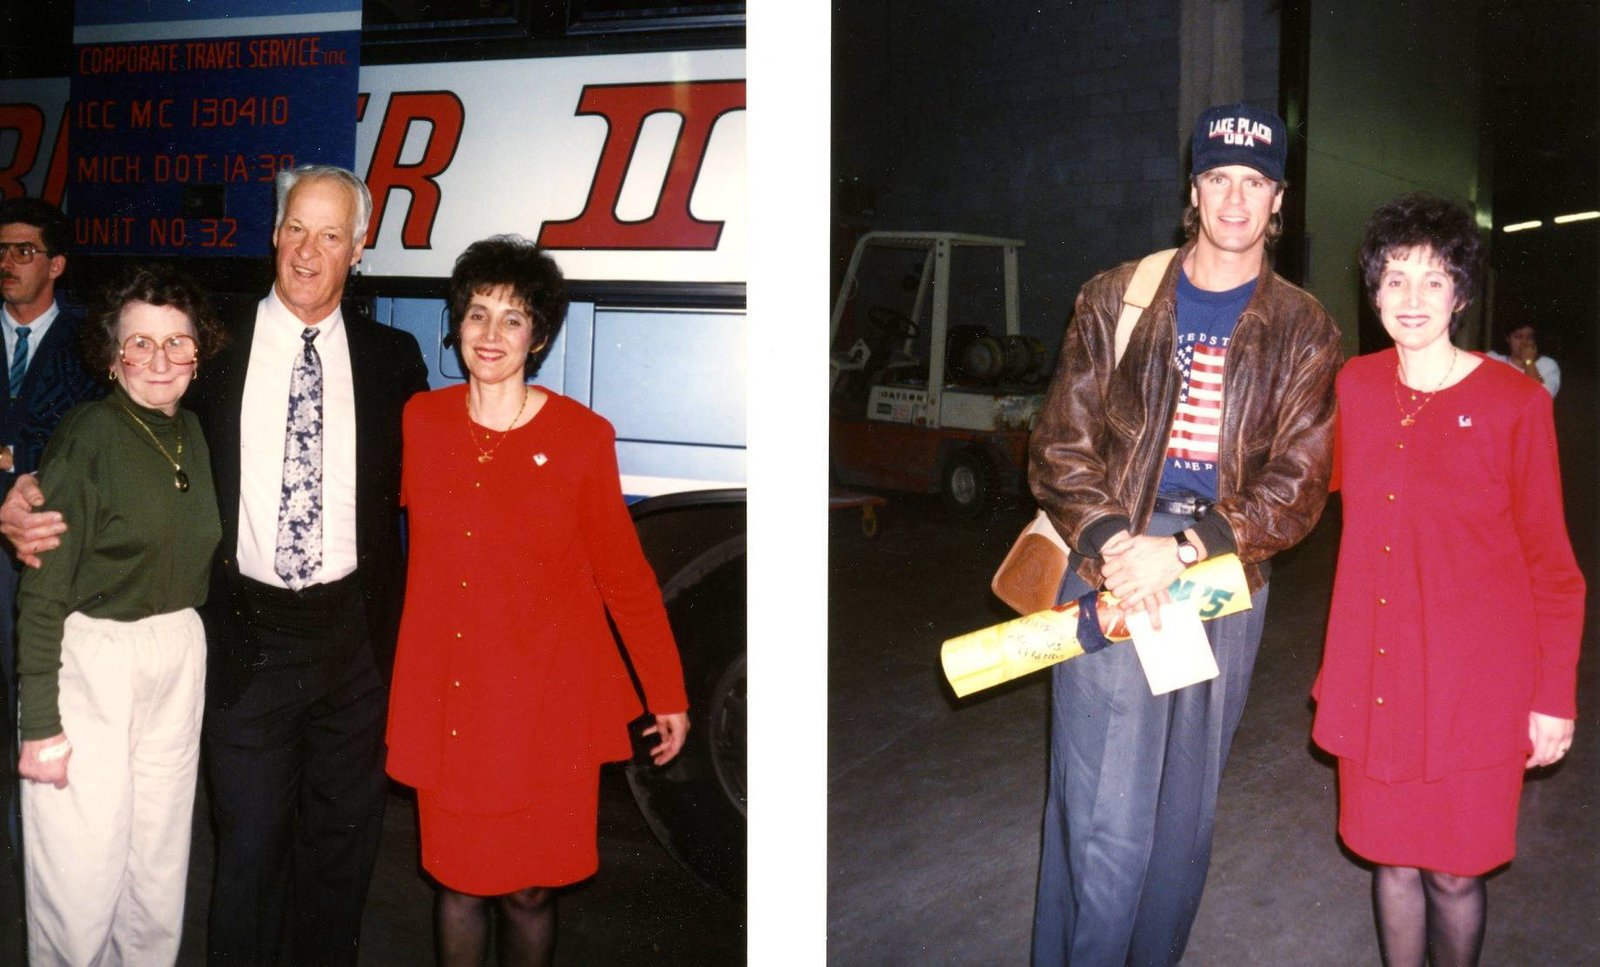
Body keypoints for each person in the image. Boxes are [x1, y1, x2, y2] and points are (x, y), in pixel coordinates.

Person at [1, 164, 429, 964]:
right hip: (244, 636)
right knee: (248, 849)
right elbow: (97, 426)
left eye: (331, 234)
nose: (308, 250)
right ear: (273, 235)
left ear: (359, 247)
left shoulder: (393, 357)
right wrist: (18, 492)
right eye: (295, 228)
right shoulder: (209, 345)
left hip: (355, 640)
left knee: (341, 848)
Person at [1028, 102, 1342, 966]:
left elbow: (1297, 482)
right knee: (1100, 808)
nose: (1235, 199)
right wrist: (1114, 546)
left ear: (1277, 199)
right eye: (1218, 178)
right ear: (1192, 190)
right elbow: (1060, 443)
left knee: (1182, 810)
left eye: (1255, 181)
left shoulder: (1305, 328)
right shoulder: (1115, 295)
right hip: (1110, 562)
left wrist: (1190, 545)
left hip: (1219, 577)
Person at [385, 236, 690, 966]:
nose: (491, 335)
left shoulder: (582, 439)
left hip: (546, 704)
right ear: (455, 326)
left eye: (513, 319)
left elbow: (626, 576)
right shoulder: (421, 423)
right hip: (453, 702)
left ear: (540, 335)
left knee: (529, 891)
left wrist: (666, 692)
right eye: (478, 314)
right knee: (457, 885)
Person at [1311, 194, 1583, 966]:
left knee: (1456, 877)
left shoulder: (1516, 404)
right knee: (1392, 861)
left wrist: (1552, 696)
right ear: (1372, 292)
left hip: (1476, 688)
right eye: (1394, 278)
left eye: (1433, 280)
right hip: (1379, 676)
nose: (1412, 299)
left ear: (1462, 292)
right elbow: (1288, 493)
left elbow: (1554, 570)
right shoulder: (1353, 389)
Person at [15, 263, 223, 963]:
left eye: (177, 342)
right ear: (111, 355)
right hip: (94, 660)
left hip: (176, 652)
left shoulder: (190, 429)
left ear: (200, 351)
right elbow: (42, 587)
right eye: (140, 343)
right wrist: (39, 723)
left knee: (158, 869)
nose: (160, 360)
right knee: (81, 874)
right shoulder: (88, 435)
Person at [0, 198, 103, 852]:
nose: (8, 263)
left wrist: (18, 460)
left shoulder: (88, 344)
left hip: (42, 556)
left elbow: (81, 448)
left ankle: (31, 857)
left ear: (57, 264)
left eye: (25, 251)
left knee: (34, 708)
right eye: (2, 251)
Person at [1487, 321, 1560, 397]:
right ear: (1508, 339)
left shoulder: (1548, 365)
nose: (1524, 342)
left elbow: (1542, 396)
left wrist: (1529, 362)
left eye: (1529, 338)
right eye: (1518, 337)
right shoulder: (1493, 358)